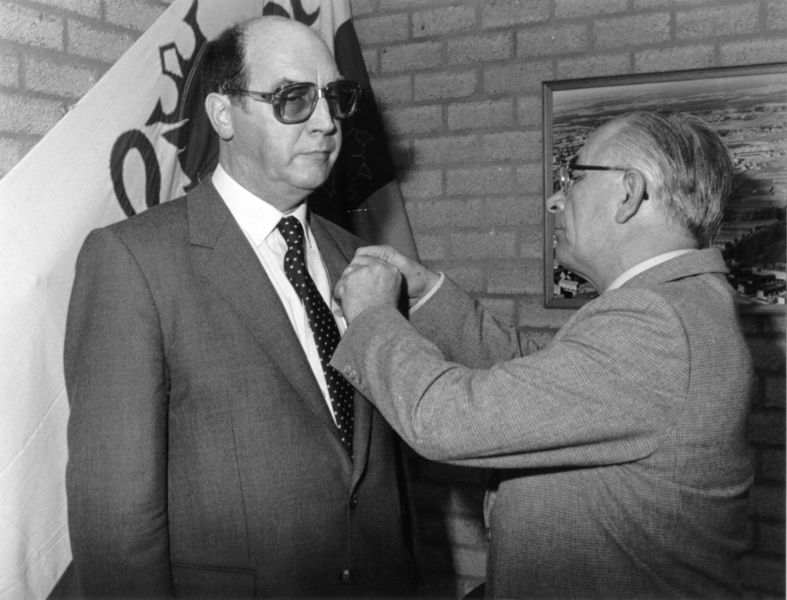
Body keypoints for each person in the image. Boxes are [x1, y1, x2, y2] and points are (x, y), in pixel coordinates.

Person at [330, 111, 754, 599]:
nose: (556, 199)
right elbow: (535, 380)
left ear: (629, 192)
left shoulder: (656, 322)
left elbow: (445, 420)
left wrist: (372, 315)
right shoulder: (678, 302)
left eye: (574, 178)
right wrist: (427, 294)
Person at [64, 16, 416, 598]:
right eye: (293, 98)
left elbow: (379, 474)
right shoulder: (133, 262)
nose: (327, 122)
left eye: (334, 97)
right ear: (223, 115)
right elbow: (115, 526)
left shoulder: (361, 260)